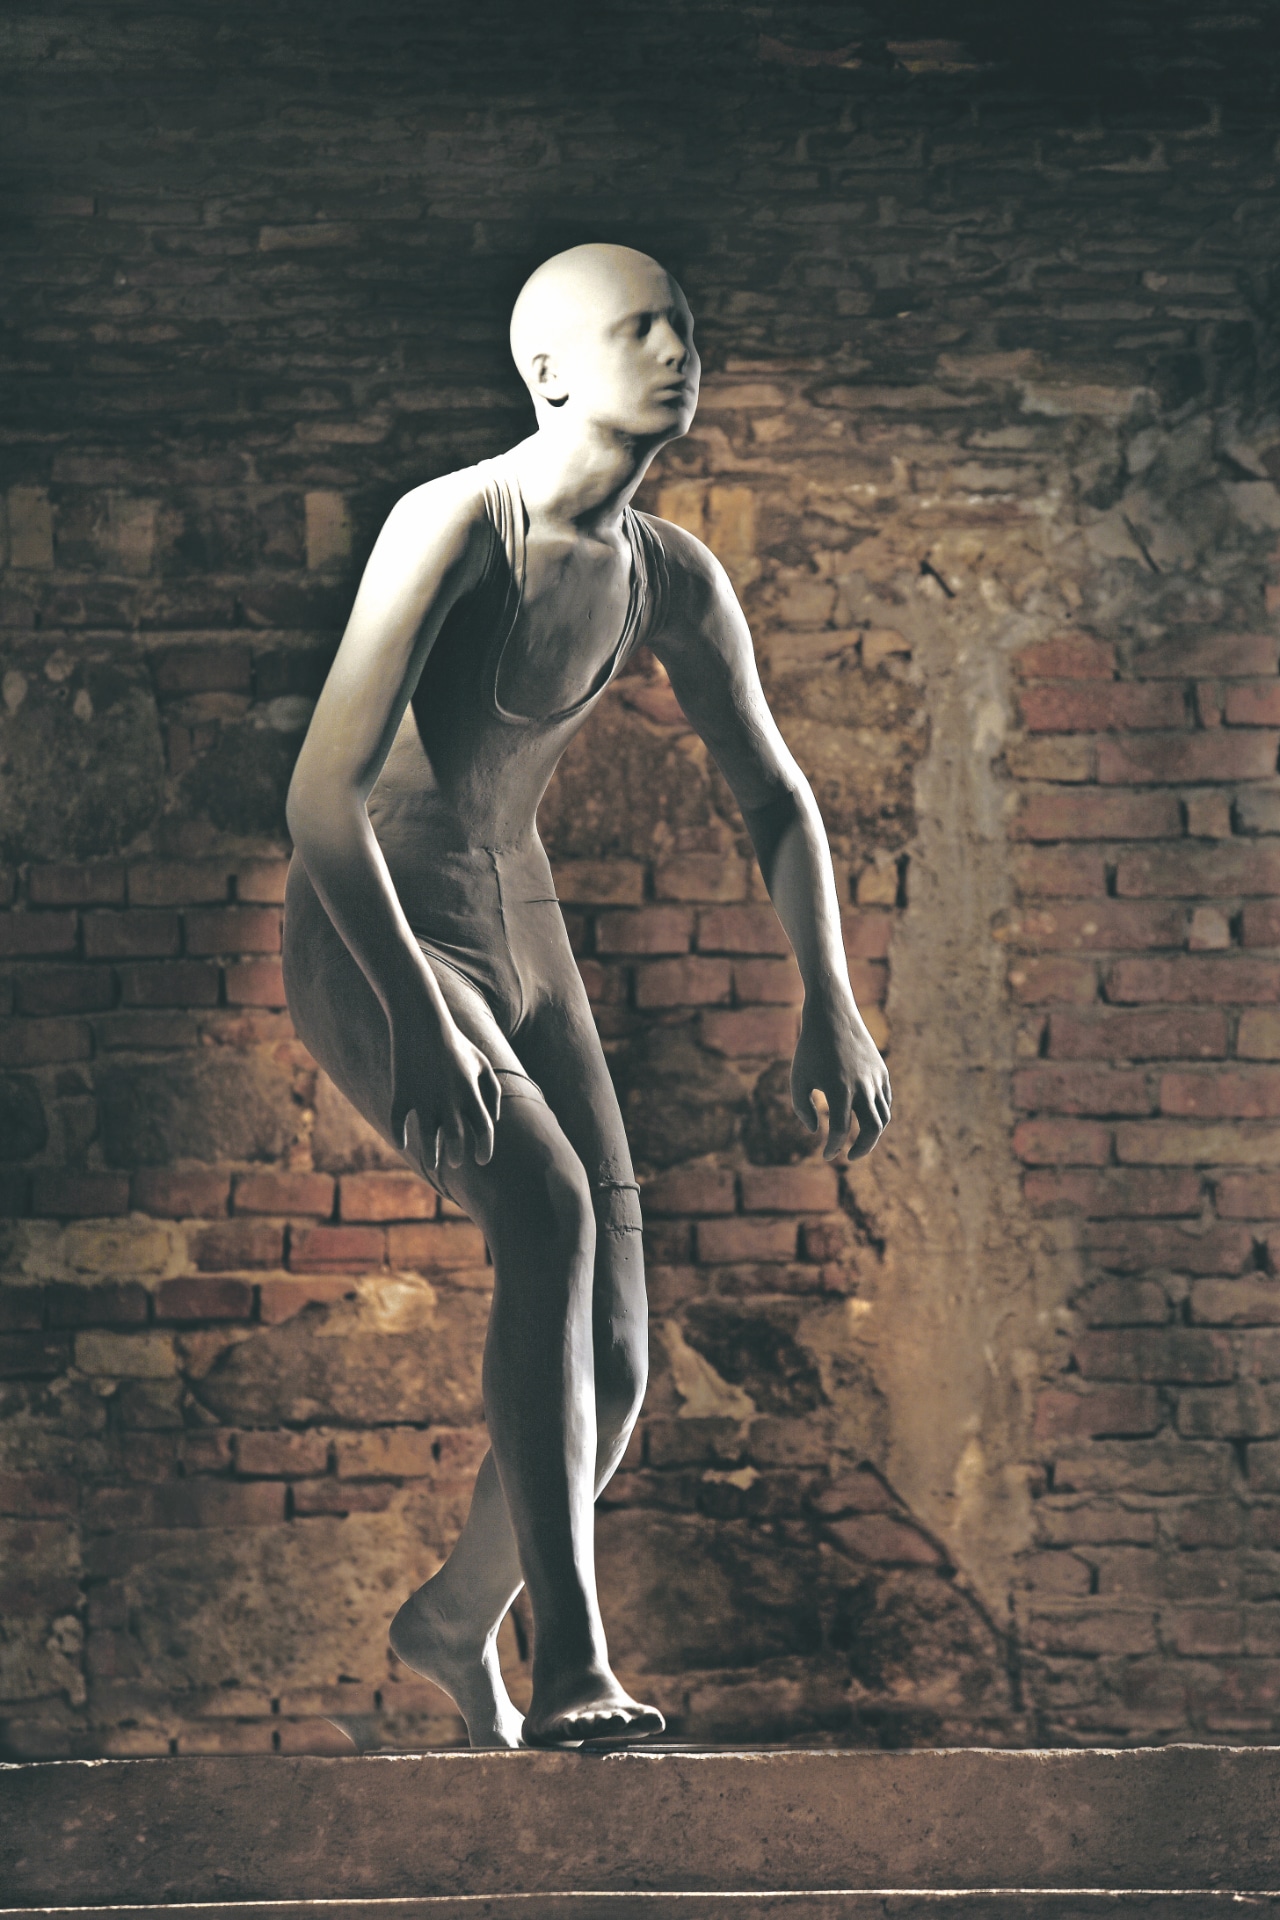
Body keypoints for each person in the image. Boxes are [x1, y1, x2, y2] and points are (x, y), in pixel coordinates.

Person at [282, 242, 892, 1749]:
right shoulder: (454, 522)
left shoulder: (670, 574)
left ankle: (450, 1621)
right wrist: (415, 1015)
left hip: (519, 919)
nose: (677, 350)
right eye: (639, 329)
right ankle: (572, 1668)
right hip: (380, 922)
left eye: (685, 326)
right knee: (547, 1215)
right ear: (549, 371)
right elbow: (319, 801)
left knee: (615, 1364)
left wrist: (830, 995)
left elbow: (776, 798)